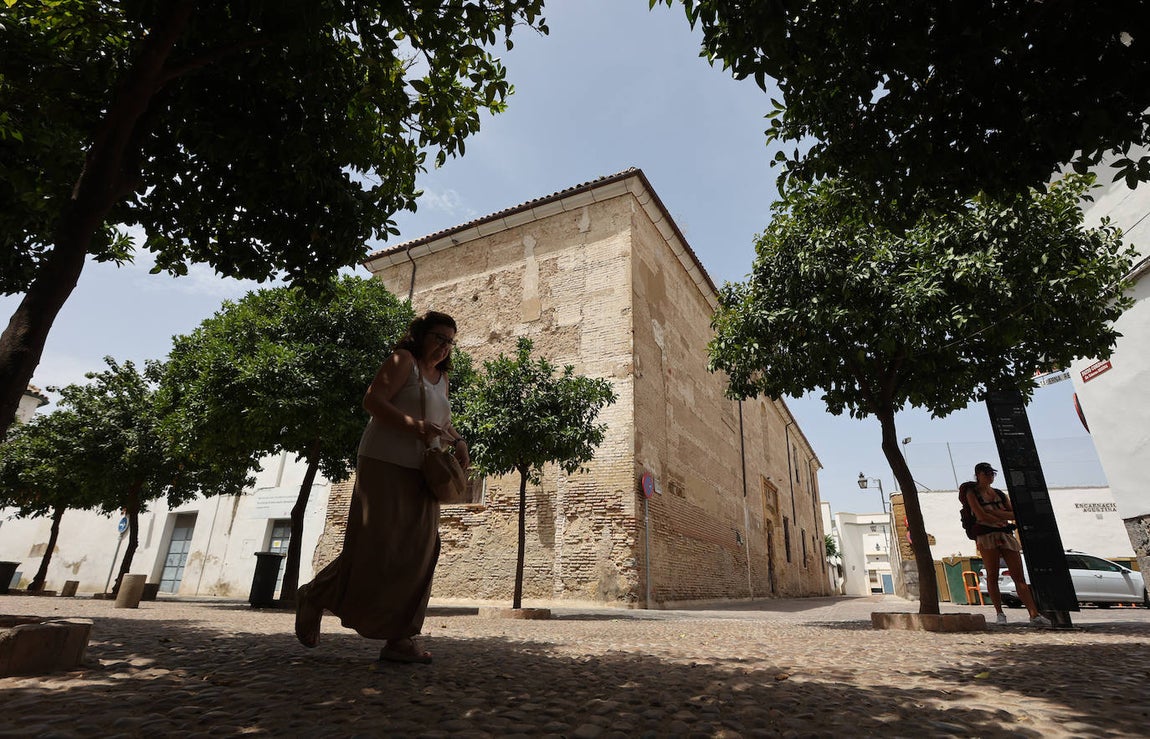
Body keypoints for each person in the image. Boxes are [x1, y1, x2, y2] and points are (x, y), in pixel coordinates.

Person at [294, 311, 470, 664]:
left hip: (424, 470)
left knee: (420, 553)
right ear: (420, 335)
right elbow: (372, 401)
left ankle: (400, 639)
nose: (443, 347)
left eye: (449, 342)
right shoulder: (402, 360)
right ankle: (315, 595)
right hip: (384, 462)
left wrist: (458, 440)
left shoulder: (442, 378)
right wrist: (413, 425)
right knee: (376, 548)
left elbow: (441, 423)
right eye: (438, 338)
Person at [964, 462, 1051, 628]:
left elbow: (1014, 514)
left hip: (1004, 535)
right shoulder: (972, 493)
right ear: (978, 475)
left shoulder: (998, 494)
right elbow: (982, 516)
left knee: (1019, 576)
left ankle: (1033, 613)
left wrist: (995, 513)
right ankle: (999, 613)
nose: (990, 476)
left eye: (992, 473)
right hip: (987, 536)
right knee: (992, 574)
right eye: (987, 473)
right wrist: (1000, 516)